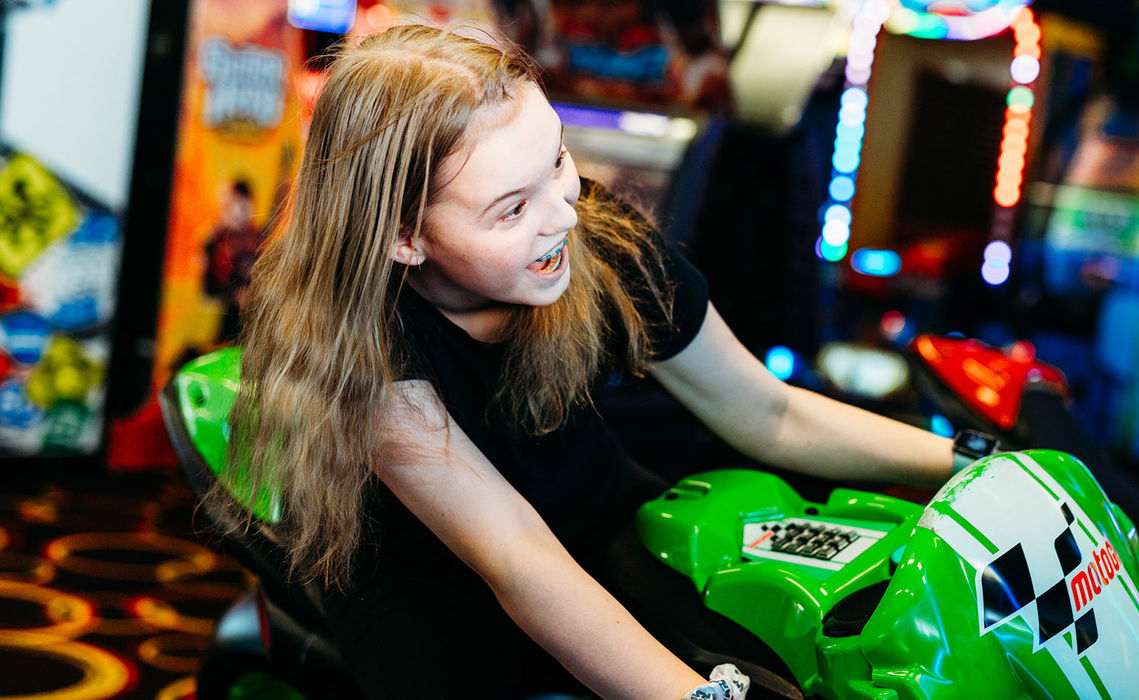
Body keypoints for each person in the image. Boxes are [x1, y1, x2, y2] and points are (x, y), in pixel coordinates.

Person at [220, 23, 957, 700]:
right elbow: (518, 561)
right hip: (423, 577)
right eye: (511, 208)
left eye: (559, 159)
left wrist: (968, 463)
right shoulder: (368, 348)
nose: (564, 214)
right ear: (404, 237)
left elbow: (771, 412)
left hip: (595, 511)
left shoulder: (599, 239)